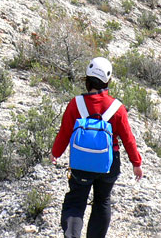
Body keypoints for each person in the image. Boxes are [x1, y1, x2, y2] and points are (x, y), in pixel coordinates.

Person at [51, 57, 143, 238]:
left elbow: (65, 132)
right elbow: (128, 138)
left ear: (87, 79)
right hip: (108, 163)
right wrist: (136, 163)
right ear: (108, 81)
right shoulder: (117, 108)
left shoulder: (76, 103)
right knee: (102, 202)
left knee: (76, 202)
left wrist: (55, 153)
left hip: (81, 162)